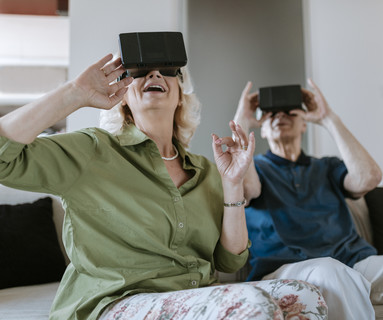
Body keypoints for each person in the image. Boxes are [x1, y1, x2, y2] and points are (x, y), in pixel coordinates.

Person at [0, 54, 329, 320]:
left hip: (194, 298)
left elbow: (231, 262)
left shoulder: (204, 170)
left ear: (181, 95)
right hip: (115, 304)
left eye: (167, 70)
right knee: (247, 304)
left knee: (304, 295)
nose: (154, 74)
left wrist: (232, 185)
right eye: (140, 70)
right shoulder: (92, 150)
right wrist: (75, 92)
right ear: (124, 98)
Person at [234, 79, 383, 320]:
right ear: (262, 129)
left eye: (290, 111)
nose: (280, 116)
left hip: (355, 262)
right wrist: (242, 121)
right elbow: (247, 189)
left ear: (304, 125)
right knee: (333, 273)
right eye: (270, 114)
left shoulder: (327, 167)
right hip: (287, 269)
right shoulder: (256, 169)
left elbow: (369, 178)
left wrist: (328, 118)